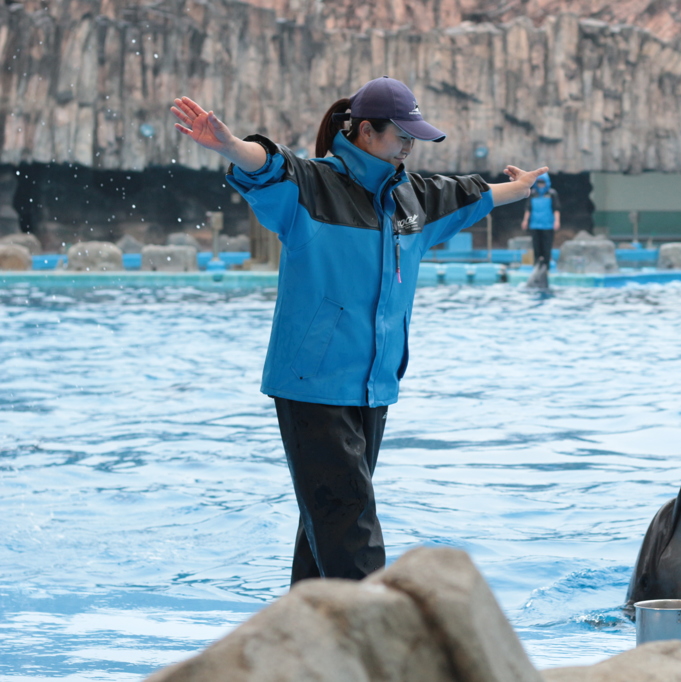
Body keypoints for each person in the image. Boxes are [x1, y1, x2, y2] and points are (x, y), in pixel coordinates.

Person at [170, 76, 548, 585]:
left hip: (373, 387)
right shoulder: (311, 187)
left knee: (325, 521)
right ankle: (377, 644)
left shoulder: (411, 201)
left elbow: (469, 195)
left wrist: (521, 188)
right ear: (365, 132)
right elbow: (269, 167)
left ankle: (304, 641)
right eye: (401, 137)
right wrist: (232, 147)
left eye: (415, 139)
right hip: (313, 383)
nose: (409, 148)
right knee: (350, 523)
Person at [520, 172, 560, 268]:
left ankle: (546, 266)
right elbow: (528, 209)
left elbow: (556, 209)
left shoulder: (552, 194)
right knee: (536, 247)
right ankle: (537, 265)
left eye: (543, 183)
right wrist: (525, 220)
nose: (541, 185)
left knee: (547, 247)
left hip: (548, 225)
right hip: (535, 224)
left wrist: (557, 221)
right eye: (539, 183)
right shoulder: (533, 193)